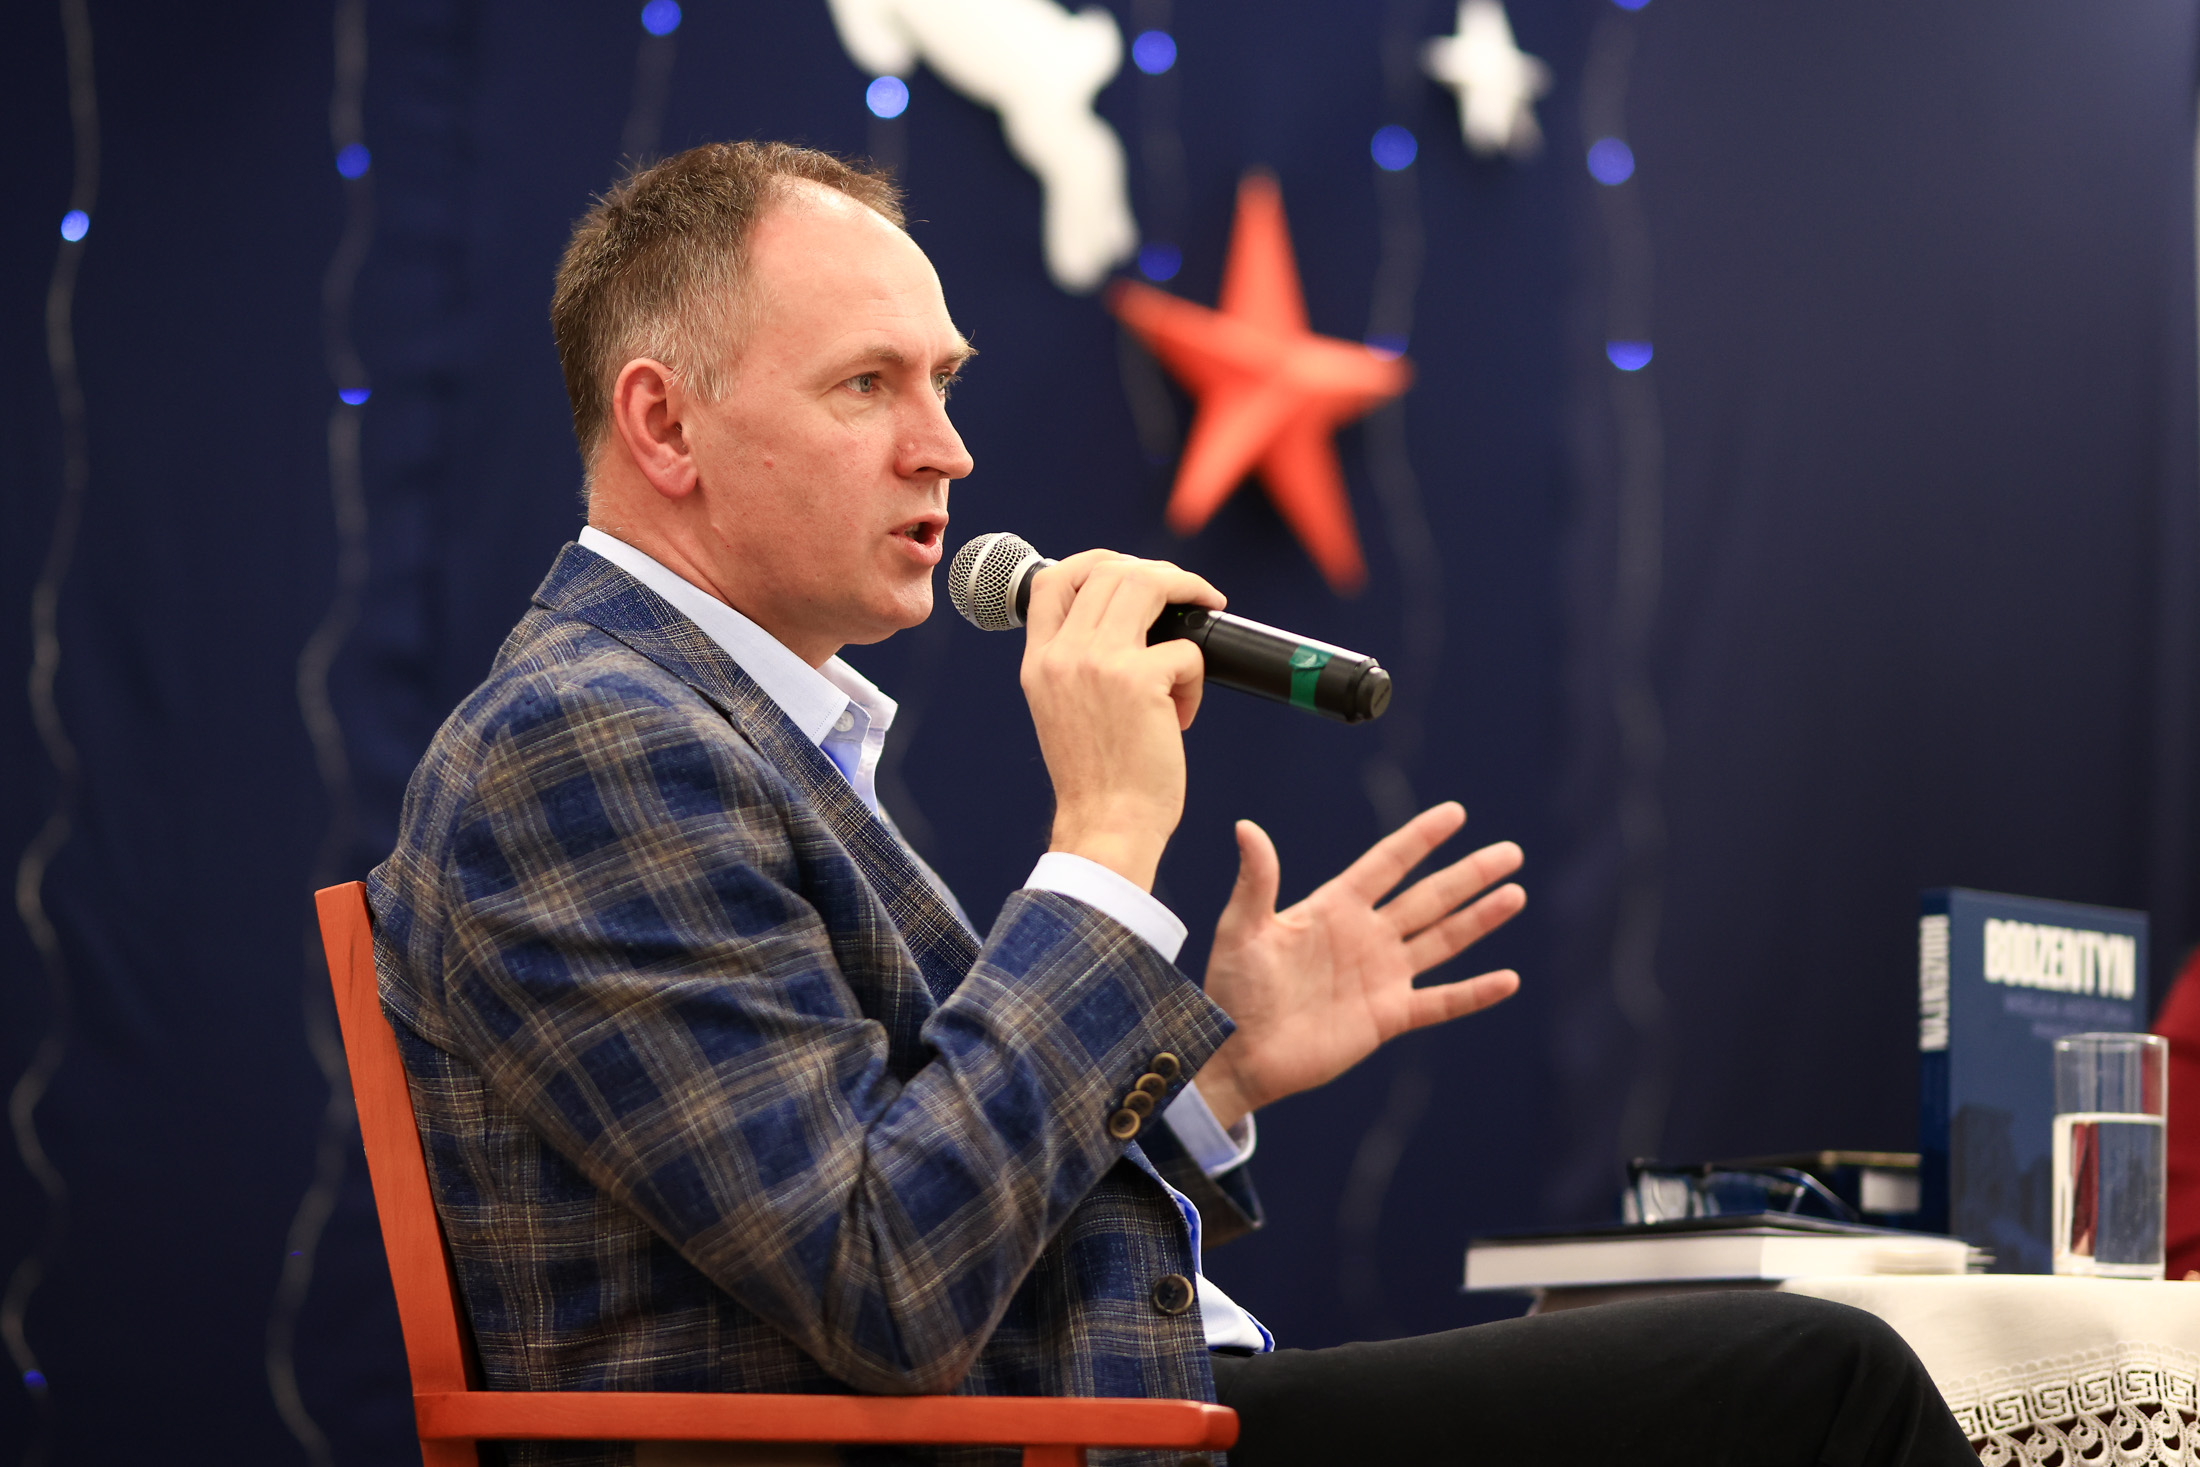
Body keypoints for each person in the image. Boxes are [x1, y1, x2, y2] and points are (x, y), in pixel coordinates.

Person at [368, 141, 1977, 1467]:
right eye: (868, 385)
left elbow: (908, 1182)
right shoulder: (582, 747)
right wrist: (1106, 845)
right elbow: (886, 1279)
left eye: (946, 382)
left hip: (1105, 1422)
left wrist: (1211, 1069)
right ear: (663, 424)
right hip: (1049, 1449)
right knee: (1820, 1385)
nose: (947, 450)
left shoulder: (708, 723)